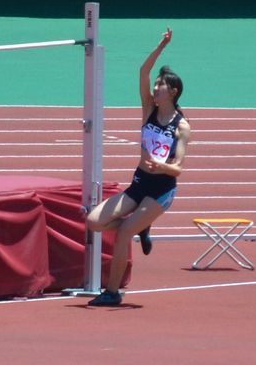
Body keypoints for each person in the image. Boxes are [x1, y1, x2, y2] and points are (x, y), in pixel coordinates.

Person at [85, 28, 191, 306]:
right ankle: (141, 228)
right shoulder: (148, 109)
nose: (155, 88)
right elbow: (142, 72)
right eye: (155, 85)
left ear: (174, 91)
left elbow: (177, 168)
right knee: (94, 222)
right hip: (140, 183)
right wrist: (160, 47)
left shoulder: (182, 126)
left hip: (161, 191)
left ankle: (112, 292)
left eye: (161, 86)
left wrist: (159, 164)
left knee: (122, 234)